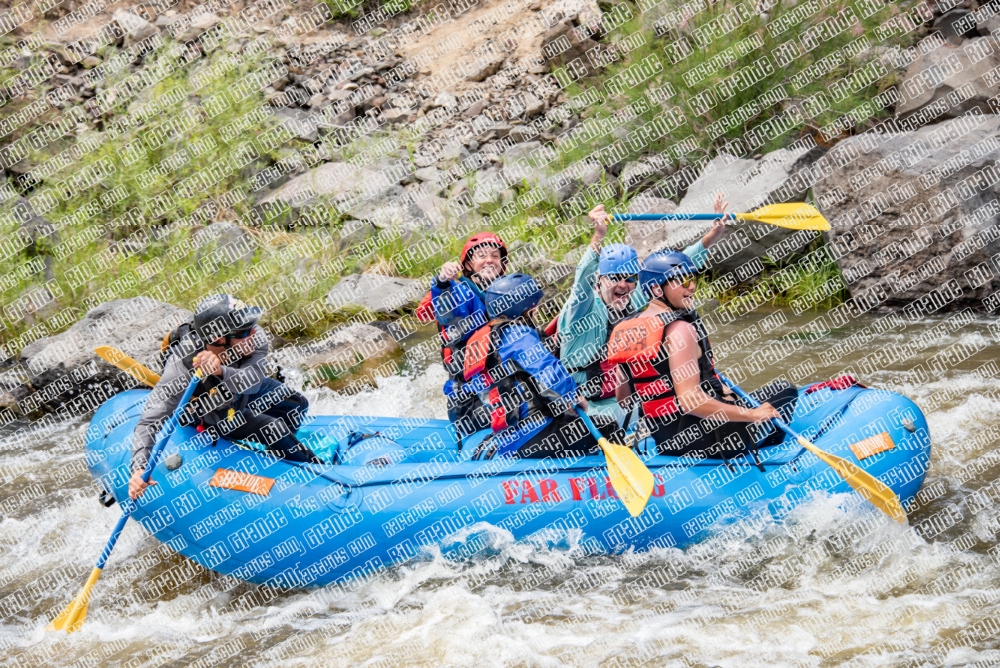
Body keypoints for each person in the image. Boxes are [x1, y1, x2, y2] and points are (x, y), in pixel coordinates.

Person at [606, 251, 798, 464]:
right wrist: (751, 415)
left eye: (692, 279)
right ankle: (770, 460)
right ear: (656, 288)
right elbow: (690, 402)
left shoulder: (625, 329)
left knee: (729, 395)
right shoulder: (680, 329)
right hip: (708, 441)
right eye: (682, 281)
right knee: (784, 390)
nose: (692, 287)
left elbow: (624, 398)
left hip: (664, 440)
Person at [129, 294, 319, 500]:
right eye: (244, 331)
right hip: (212, 410)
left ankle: (278, 462)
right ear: (218, 338)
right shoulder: (182, 366)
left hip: (242, 389)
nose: (254, 334)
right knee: (273, 429)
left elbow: (253, 382)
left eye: (252, 326)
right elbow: (149, 421)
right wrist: (138, 468)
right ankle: (316, 479)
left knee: (296, 404)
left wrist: (220, 371)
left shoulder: (255, 337)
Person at [557, 193, 730, 418]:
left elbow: (673, 270)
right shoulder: (581, 308)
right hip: (586, 405)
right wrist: (598, 236)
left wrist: (713, 234)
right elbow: (583, 277)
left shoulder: (632, 301)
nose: (623, 285)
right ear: (599, 280)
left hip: (623, 400)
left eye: (630, 278)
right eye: (615, 277)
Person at [465, 273, 605, 460]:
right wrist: (574, 396)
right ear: (523, 310)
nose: (536, 312)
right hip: (535, 435)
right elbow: (550, 373)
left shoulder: (481, 343)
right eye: (533, 308)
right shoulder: (518, 334)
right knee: (607, 426)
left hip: (507, 439)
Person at [428, 232, 511, 447]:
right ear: (468, 264)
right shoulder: (461, 292)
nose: (489, 260)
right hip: (471, 401)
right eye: (481, 255)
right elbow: (448, 313)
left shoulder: (510, 292)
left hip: (504, 390)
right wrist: (443, 282)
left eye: (495, 255)